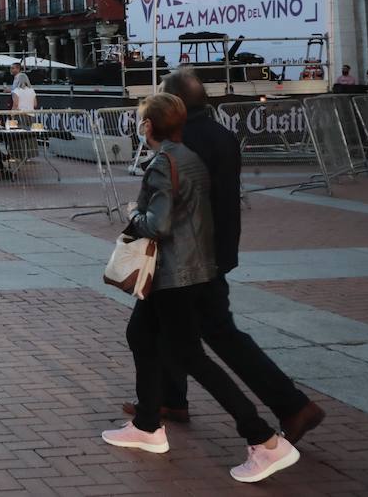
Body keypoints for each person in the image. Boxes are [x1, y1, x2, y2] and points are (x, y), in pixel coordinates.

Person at [102, 93, 300, 484]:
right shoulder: (189, 157)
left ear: (148, 126)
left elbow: (157, 225)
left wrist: (133, 214)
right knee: (140, 334)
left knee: (190, 356)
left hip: (174, 275)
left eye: (142, 121)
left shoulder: (163, 164)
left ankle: (263, 439)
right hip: (189, 271)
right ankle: (146, 425)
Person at [137, 71, 325, 442]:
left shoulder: (182, 142)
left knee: (212, 336)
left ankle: (286, 408)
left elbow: (177, 206)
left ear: (174, 104)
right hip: (215, 250)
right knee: (161, 329)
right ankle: (168, 400)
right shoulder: (221, 134)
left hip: (190, 259)